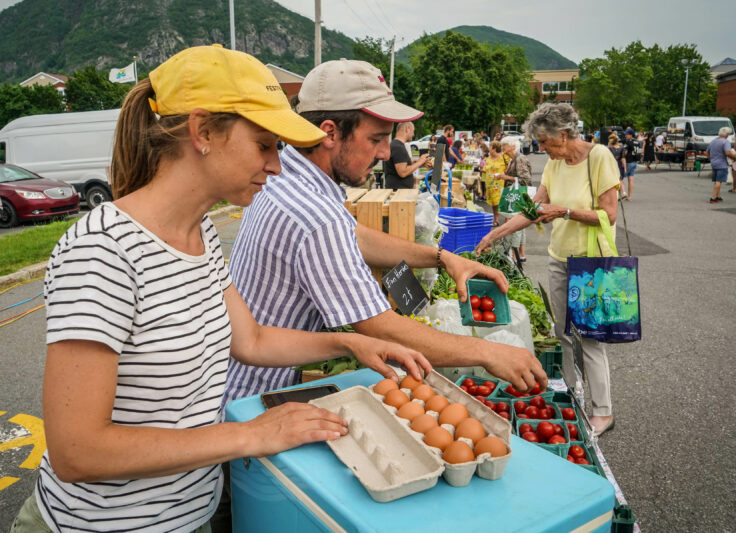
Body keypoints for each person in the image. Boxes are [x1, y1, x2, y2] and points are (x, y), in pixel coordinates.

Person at [8, 46, 432, 533]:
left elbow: (249, 340)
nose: (277, 166)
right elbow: (77, 452)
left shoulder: (200, 232)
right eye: (265, 145)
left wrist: (349, 341)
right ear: (203, 131)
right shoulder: (102, 253)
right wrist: (249, 435)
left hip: (189, 516)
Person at [225, 58, 548, 413]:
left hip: (245, 379)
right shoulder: (315, 216)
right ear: (330, 132)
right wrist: (488, 351)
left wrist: (442, 258)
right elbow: (380, 327)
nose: (384, 153)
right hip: (250, 400)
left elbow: (356, 237)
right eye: (376, 139)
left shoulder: (290, 176)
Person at [476, 103, 619, 436]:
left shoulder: (599, 159)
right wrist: (495, 232)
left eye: (544, 142)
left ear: (564, 135)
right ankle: (569, 393)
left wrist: (565, 211)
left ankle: (603, 411)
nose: (542, 149)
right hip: (559, 258)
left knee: (591, 340)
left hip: (591, 263)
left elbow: (608, 214)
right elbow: (533, 209)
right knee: (562, 333)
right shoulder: (555, 165)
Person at [496, 136, 532, 261]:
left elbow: (525, 179)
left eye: (504, 145)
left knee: (516, 224)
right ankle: (521, 254)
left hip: (518, 195)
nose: (502, 147)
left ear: (512, 146)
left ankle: (514, 253)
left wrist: (505, 178)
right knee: (520, 224)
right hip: (517, 195)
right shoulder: (513, 159)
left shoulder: (519, 159)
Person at [384, 122, 430, 189]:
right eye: (413, 131)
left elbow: (404, 165)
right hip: (398, 192)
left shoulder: (397, 145)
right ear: (407, 129)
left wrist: (421, 163)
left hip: (399, 191)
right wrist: (420, 162)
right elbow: (403, 172)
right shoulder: (398, 147)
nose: (413, 134)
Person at [708, 126, 736, 203]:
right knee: (719, 181)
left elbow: (707, 152)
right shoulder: (725, 142)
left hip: (714, 163)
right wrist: (734, 157)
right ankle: (713, 197)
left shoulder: (713, 141)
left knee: (717, 180)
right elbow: (727, 153)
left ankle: (718, 196)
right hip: (722, 163)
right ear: (727, 134)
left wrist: (711, 159)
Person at [484, 140, 510, 225]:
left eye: (490, 147)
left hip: (502, 184)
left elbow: (509, 168)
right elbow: (485, 170)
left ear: (494, 149)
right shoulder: (488, 158)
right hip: (491, 185)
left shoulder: (504, 157)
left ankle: (507, 219)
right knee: (494, 203)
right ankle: (496, 219)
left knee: (505, 201)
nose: (488, 149)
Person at [621, 128, 637, 201]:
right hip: (634, 161)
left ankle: (623, 193)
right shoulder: (636, 142)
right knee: (631, 179)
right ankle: (629, 196)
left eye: (627, 134)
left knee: (620, 178)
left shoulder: (628, 142)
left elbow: (625, 152)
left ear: (631, 135)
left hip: (628, 161)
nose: (626, 136)